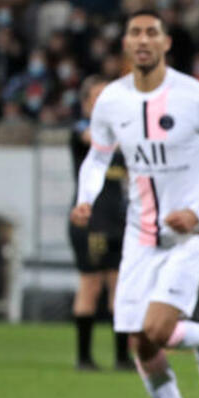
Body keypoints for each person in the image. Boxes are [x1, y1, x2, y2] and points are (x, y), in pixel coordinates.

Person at [71, 10, 199, 398]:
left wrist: (198, 211)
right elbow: (97, 158)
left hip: (192, 232)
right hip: (140, 233)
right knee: (140, 341)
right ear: (125, 43)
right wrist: (85, 197)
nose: (143, 39)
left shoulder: (197, 97)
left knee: (155, 326)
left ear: (166, 43)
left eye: (152, 32)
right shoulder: (111, 100)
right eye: (135, 32)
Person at [69, 76, 131, 371]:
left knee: (120, 289)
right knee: (91, 286)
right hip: (90, 221)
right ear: (85, 103)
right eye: (97, 97)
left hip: (120, 222)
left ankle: (122, 357)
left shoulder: (123, 132)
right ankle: (84, 357)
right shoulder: (82, 129)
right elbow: (93, 141)